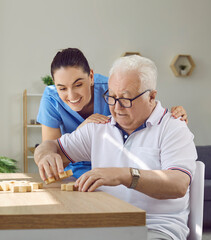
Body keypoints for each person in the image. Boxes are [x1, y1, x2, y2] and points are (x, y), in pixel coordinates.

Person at [34, 55, 197, 240]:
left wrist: (124, 175)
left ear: (151, 96)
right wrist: (45, 155)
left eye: (126, 99)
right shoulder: (99, 128)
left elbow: (178, 184)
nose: (117, 108)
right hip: (104, 225)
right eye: (111, 98)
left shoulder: (173, 127)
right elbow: (50, 146)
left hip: (154, 227)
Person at [36, 48, 189, 178]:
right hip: (75, 172)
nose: (71, 95)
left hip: (115, 171)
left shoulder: (113, 90)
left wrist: (173, 116)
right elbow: (53, 152)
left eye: (78, 84)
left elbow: (143, 104)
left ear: (91, 77)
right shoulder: (52, 99)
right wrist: (46, 155)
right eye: (62, 88)